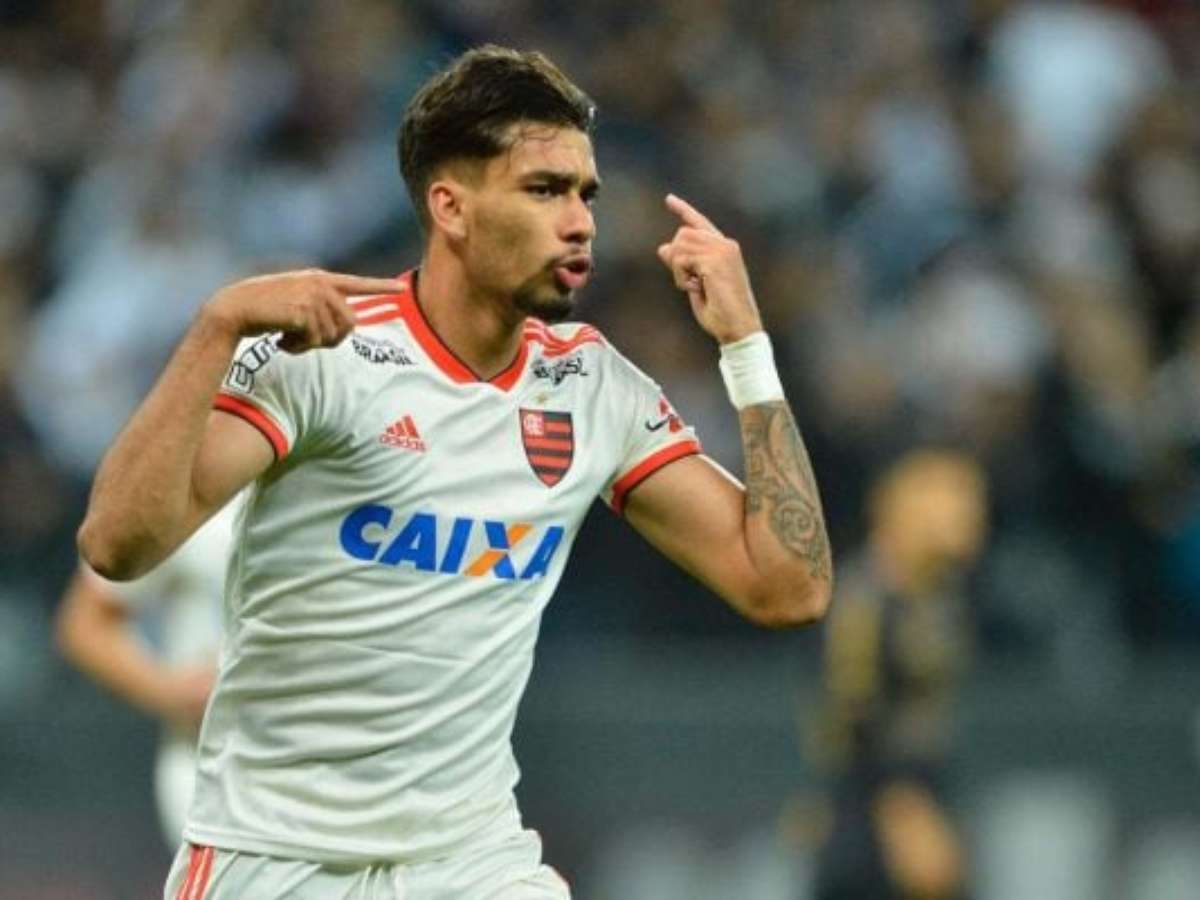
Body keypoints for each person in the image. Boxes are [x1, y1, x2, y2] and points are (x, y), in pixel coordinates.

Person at [77, 45, 833, 900]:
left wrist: (746, 347)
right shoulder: (327, 353)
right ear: (452, 207)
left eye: (585, 194)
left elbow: (788, 588)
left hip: (471, 862)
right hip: (275, 856)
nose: (580, 222)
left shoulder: (590, 387)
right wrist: (216, 327)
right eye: (544, 190)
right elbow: (116, 545)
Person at [810, 449, 987, 900]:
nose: (971, 512)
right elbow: (847, 710)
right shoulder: (864, 597)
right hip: (875, 802)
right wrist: (899, 805)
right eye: (953, 497)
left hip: (927, 783)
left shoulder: (940, 590)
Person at [54, 498, 238, 848]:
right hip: (217, 774)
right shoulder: (200, 489)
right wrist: (174, 694)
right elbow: (86, 623)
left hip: (344, 769)